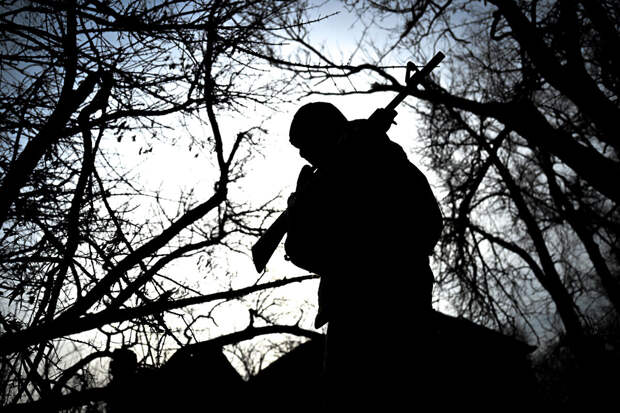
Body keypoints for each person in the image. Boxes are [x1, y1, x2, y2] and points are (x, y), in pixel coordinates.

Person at [284, 102, 443, 408]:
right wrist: (302, 207)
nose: (303, 155)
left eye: (305, 144)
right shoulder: (325, 183)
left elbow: (425, 226)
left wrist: (304, 210)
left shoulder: (379, 162)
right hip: (358, 309)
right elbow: (303, 251)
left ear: (326, 134)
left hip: (386, 307)